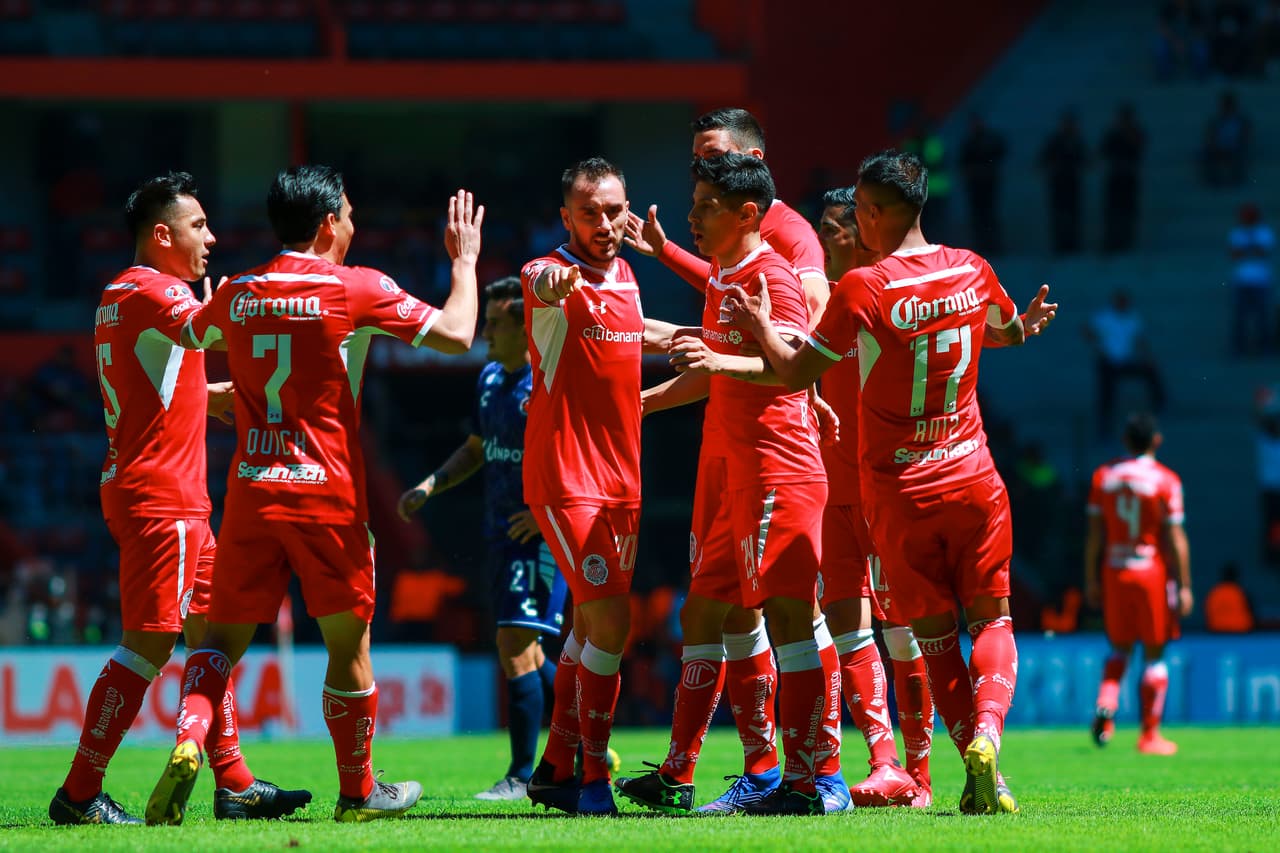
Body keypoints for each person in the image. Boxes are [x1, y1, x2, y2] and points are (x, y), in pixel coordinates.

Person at [721, 149, 1056, 815]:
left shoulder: (863, 288)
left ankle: (977, 770)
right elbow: (1005, 331)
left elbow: (794, 372)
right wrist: (1022, 328)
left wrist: (759, 327)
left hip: (902, 492)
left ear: (871, 213)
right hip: (974, 476)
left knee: (934, 640)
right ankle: (988, 738)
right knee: (992, 618)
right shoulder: (971, 268)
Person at [145, 166, 484, 824]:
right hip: (327, 494)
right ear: (329, 223)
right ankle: (358, 792)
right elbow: (456, 333)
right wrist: (464, 261)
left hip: (252, 489)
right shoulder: (356, 287)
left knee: (219, 642)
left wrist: (223, 359)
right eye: (349, 214)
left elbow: (190, 336)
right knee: (347, 647)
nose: (354, 225)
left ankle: (189, 738)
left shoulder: (238, 291)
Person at [50, 172, 312, 826]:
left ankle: (234, 781)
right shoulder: (157, 289)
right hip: (162, 497)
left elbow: (159, 378)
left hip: (158, 489)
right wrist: (265, 299)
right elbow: (207, 330)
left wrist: (209, 396)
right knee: (148, 644)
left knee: (211, 636)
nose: (211, 237)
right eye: (198, 225)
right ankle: (79, 793)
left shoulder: (119, 294)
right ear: (162, 235)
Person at [623, 107, 840, 814]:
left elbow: (792, 367)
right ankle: (685, 774)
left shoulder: (776, 271)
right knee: (704, 613)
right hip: (735, 469)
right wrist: (648, 402)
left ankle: (816, 780)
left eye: (705, 205)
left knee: (791, 619)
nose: (691, 216)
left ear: (747, 210)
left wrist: (716, 358)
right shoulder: (725, 272)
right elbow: (714, 366)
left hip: (778, 462)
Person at [397, 275, 568, 801]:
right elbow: (476, 449)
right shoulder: (491, 378)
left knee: (514, 645)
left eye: (495, 324)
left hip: (538, 535)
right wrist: (432, 483)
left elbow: (577, 449)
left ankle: (521, 775)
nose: (485, 332)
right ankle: (585, 740)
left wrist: (546, 513)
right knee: (527, 650)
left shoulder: (549, 381)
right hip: (499, 532)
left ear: (525, 328)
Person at [521, 157, 650, 817]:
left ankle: (553, 768)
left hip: (623, 480)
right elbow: (543, 285)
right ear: (566, 218)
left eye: (614, 210)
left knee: (590, 623)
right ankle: (595, 780)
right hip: (567, 478)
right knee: (613, 622)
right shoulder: (547, 274)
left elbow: (636, 333)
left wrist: (699, 336)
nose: (604, 223)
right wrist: (556, 281)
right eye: (589, 212)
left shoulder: (627, 276)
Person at [811, 188, 934, 809]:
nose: (820, 239)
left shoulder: (885, 296)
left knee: (903, 631)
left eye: (829, 229)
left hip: (886, 488)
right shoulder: (822, 299)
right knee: (847, 626)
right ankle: (884, 762)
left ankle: (922, 773)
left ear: (856, 232)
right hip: (832, 490)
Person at [1085, 413, 1192, 755]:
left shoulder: (1104, 476)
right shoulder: (1166, 480)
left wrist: (1090, 578)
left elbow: (1094, 536)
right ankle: (1149, 735)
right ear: (1156, 441)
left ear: (1125, 441)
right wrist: (1185, 585)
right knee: (1154, 653)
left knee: (1119, 648)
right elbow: (1175, 537)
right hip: (1150, 572)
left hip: (1114, 569)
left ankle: (1107, 702)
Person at [1084, 290, 1166, 439]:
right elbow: (1088, 331)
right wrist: (1099, 346)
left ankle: (1160, 402)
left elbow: (1139, 339)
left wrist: (1147, 357)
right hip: (1108, 361)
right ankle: (1104, 427)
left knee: (1150, 372)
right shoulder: (1104, 316)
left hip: (1125, 361)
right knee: (1106, 395)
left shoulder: (1132, 317)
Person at [1228, 202, 1274, 357]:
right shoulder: (1237, 232)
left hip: (1261, 281)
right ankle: (1239, 347)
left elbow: (1263, 252)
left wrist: (1245, 248)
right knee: (1240, 317)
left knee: (1262, 316)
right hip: (1241, 281)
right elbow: (1234, 254)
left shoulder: (1263, 231)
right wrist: (1251, 248)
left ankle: (1264, 347)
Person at [957, 113, 1007, 256]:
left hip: (988, 184)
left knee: (989, 215)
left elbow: (1000, 151)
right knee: (978, 217)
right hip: (975, 186)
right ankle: (981, 246)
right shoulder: (970, 143)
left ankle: (993, 246)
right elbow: (963, 163)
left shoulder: (989, 141)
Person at [1039, 110, 1088, 254]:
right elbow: (1042, 160)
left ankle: (1073, 246)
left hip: (1073, 184)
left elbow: (1087, 161)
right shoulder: (1054, 142)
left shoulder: (1077, 142)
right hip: (1058, 184)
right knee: (1059, 216)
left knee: (1073, 215)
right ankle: (1060, 246)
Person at [1099, 103, 1145, 254]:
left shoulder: (1136, 133)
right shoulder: (1112, 134)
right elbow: (1103, 152)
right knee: (1113, 211)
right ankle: (1111, 242)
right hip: (1115, 178)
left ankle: (1126, 242)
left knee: (1128, 211)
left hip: (1129, 178)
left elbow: (1139, 149)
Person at [1204, 562, 1254, 633]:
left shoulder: (1214, 593)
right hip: (1240, 631)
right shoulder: (1240, 592)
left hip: (1217, 630)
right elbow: (1251, 611)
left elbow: (1207, 615)